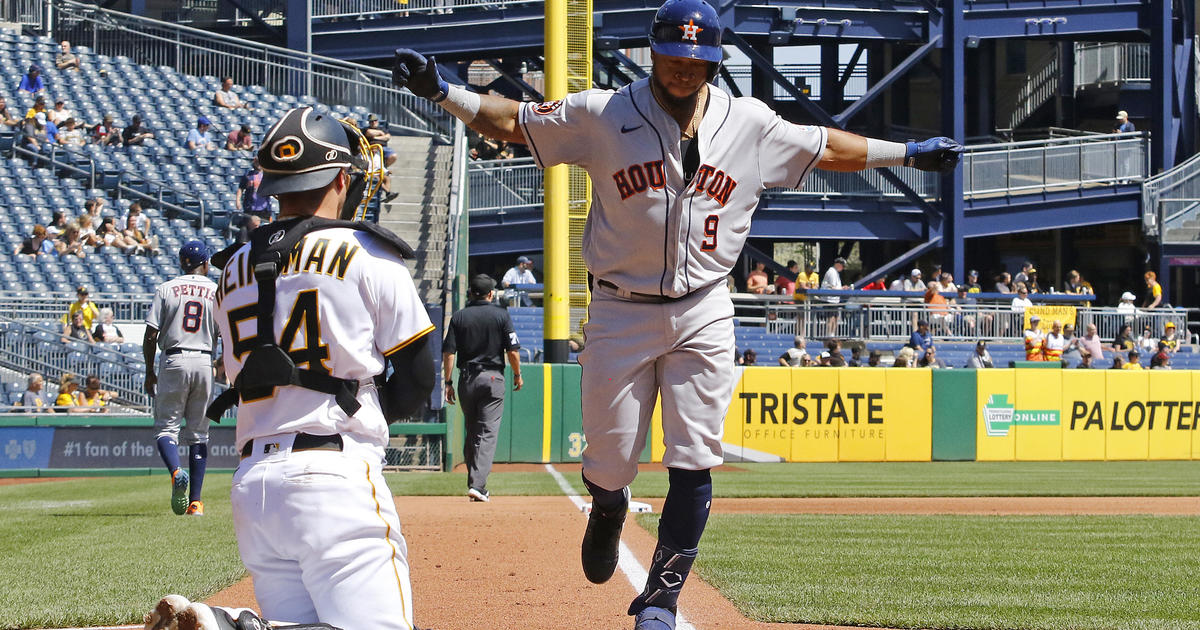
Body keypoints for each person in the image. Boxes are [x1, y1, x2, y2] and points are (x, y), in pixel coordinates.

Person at [392, 3, 964, 625]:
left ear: (713, 61)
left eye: (698, 61)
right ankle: (610, 507)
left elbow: (828, 147)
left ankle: (661, 596)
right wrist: (444, 91)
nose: (685, 70)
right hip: (619, 308)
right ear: (655, 52)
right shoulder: (603, 113)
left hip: (705, 306)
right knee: (608, 465)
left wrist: (906, 153)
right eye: (673, 58)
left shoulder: (749, 121)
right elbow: (514, 121)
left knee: (695, 459)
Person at [212, 106, 434, 630]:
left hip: (253, 483)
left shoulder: (231, 268)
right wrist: (369, 413)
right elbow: (422, 376)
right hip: (334, 469)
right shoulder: (366, 252)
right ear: (340, 177)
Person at [144, 241, 218, 517]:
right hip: (204, 359)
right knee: (199, 434)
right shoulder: (216, 291)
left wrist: (149, 370)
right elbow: (227, 333)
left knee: (167, 428)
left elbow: (151, 334)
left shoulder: (166, 288)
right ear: (206, 264)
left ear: (181, 262)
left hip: (174, 357)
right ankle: (196, 503)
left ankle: (176, 471)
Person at [442, 274, 523, 502]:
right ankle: (478, 485)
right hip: (493, 378)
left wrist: (448, 382)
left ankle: (474, 482)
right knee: (487, 433)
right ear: (490, 294)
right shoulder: (501, 315)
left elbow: (449, 353)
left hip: (467, 379)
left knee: (472, 431)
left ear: (470, 293)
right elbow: (513, 351)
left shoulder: (459, 317)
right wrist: (517, 374)